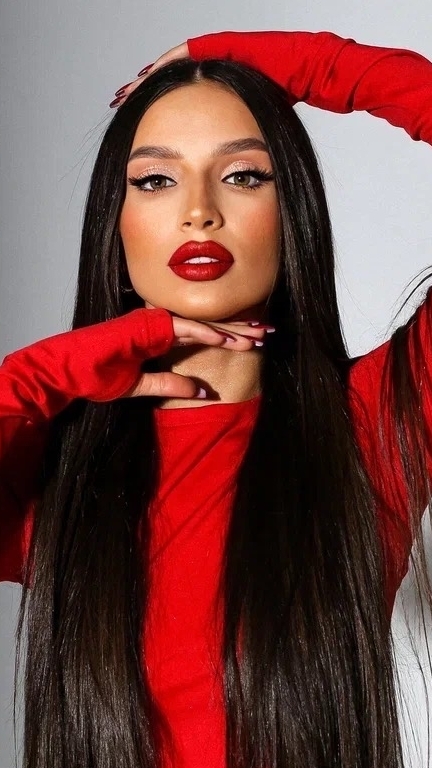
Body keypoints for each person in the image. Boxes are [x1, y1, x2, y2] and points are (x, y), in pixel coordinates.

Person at [1, 29, 432, 768]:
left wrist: (296, 63)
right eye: (155, 181)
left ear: (292, 213)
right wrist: (39, 376)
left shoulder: (367, 430)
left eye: (243, 175)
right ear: (115, 226)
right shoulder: (58, 476)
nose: (199, 211)